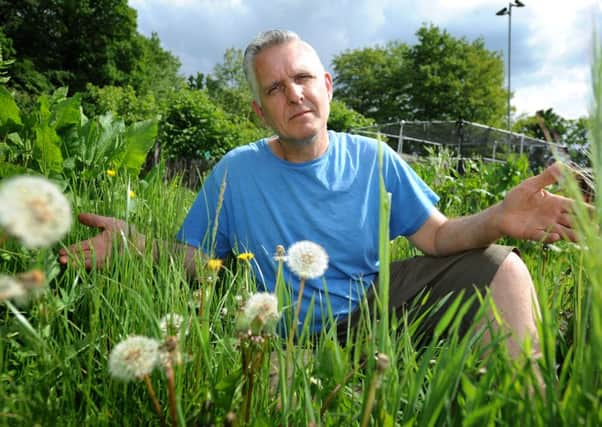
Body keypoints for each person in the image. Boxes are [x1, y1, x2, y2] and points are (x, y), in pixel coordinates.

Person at [59, 29, 577, 359]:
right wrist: (135, 245)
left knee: (502, 266)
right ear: (260, 112)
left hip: (375, 313)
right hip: (284, 334)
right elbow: (199, 260)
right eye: (275, 89)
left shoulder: (375, 159)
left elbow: (439, 238)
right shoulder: (234, 173)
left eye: (303, 78)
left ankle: (522, 402)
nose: (295, 94)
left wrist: (500, 216)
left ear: (328, 86)